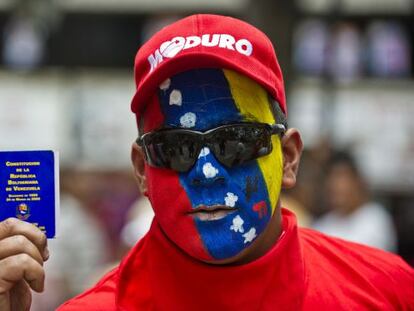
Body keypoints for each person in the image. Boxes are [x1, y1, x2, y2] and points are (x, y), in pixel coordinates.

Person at [0, 14, 413, 311]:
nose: (207, 172)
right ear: (143, 170)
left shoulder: (388, 290)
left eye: (236, 141)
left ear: (288, 158)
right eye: (176, 147)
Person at [312, 151, 397, 252]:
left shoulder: (376, 219)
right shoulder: (321, 226)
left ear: (357, 181)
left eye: (341, 177)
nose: (335, 185)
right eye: (331, 178)